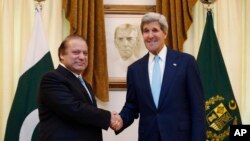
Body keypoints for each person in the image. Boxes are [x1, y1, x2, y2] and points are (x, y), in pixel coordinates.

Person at [112, 12, 206, 141]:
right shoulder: (135, 70)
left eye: (155, 30)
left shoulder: (186, 63)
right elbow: (132, 106)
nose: (150, 35)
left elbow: (197, 108)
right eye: (146, 31)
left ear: (165, 33)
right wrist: (121, 120)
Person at [38, 34, 120, 141]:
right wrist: (108, 117)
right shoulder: (52, 78)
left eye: (85, 53)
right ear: (62, 55)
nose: (82, 57)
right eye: (76, 52)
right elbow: (73, 108)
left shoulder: (86, 84)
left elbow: (88, 116)